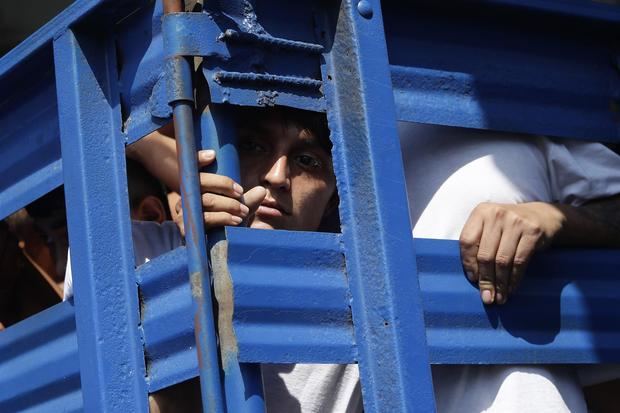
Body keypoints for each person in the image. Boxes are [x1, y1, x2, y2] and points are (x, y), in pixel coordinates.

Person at [65, 106, 620, 411]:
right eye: (254, 146)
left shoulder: (358, 280)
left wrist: (557, 218)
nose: (278, 179)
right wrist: (165, 157)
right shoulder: (143, 249)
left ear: (336, 194)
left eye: (306, 159)